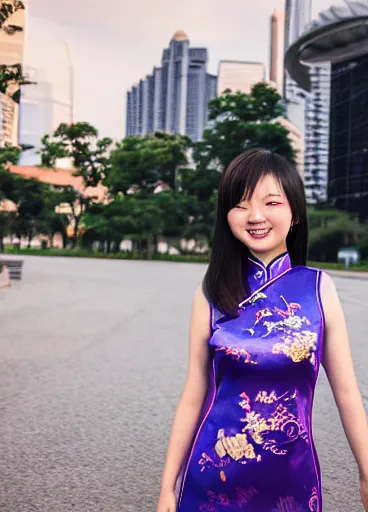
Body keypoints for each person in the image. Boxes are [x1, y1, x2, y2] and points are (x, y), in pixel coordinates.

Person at [156, 148, 368, 512]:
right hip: (213, 477)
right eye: (240, 204)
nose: (255, 216)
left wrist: (366, 472)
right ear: (226, 215)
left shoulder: (318, 290)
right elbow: (194, 395)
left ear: (295, 211)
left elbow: (347, 394)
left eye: (271, 202)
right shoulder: (210, 293)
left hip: (292, 481)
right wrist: (166, 488)